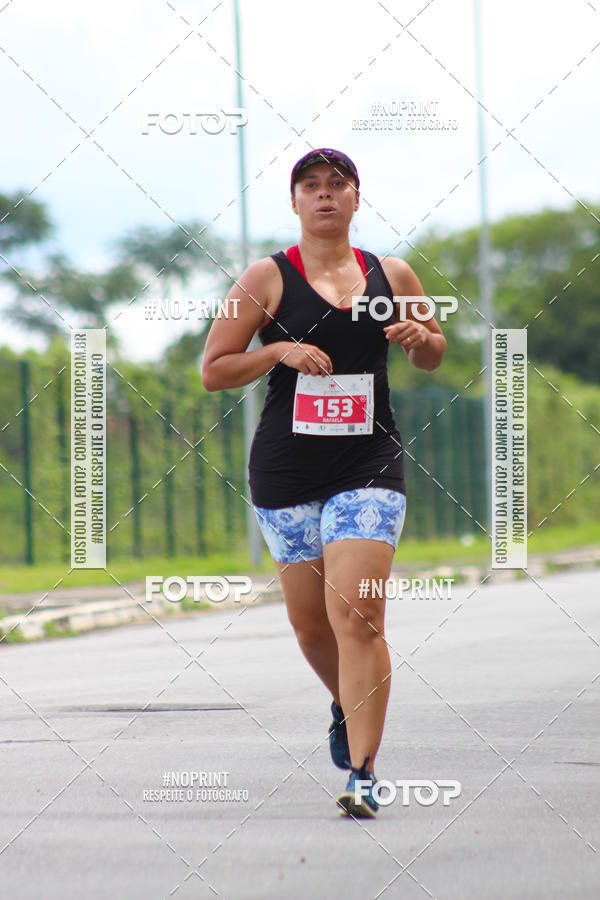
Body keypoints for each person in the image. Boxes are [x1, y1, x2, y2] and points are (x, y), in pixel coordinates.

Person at [201, 148, 446, 817]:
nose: (324, 196)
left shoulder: (390, 273)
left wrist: (418, 336)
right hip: (285, 468)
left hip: (369, 463)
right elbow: (215, 369)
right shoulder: (266, 277)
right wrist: (279, 350)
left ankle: (363, 773)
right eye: (310, 187)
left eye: (337, 186)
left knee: (359, 614)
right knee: (313, 627)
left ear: (356, 199)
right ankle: (345, 701)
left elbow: (433, 351)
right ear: (295, 203)